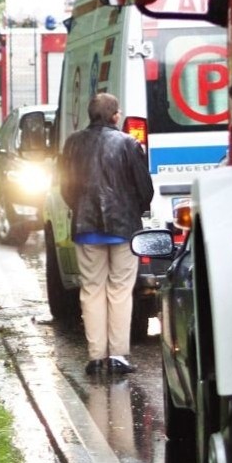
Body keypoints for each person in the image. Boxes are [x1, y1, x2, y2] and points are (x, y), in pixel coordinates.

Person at [60, 91, 153, 377]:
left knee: (91, 290)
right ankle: (118, 355)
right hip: (123, 229)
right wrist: (134, 210)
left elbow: (65, 187)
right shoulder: (128, 144)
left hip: (86, 229)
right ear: (115, 116)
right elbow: (144, 189)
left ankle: (96, 356)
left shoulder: (73, 143)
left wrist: (80, 208)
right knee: (120, 290)